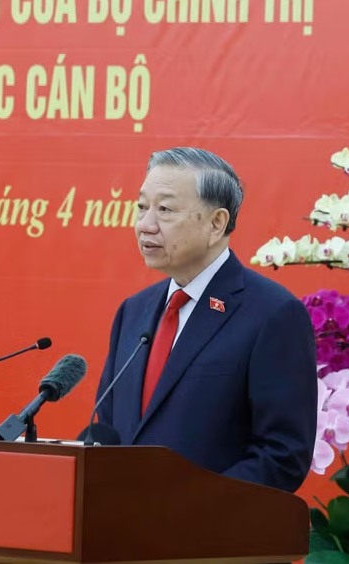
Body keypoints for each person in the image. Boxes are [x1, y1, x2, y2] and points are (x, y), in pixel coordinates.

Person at [93, 147, 317, 494]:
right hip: (126, 523)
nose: (145, 225)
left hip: (211, 526)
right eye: (142, 207)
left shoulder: (273, 314)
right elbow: (109, 430)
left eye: (165, 210)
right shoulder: (133, 311)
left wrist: (190, 505)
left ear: (216, 224)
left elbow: (282, 455)